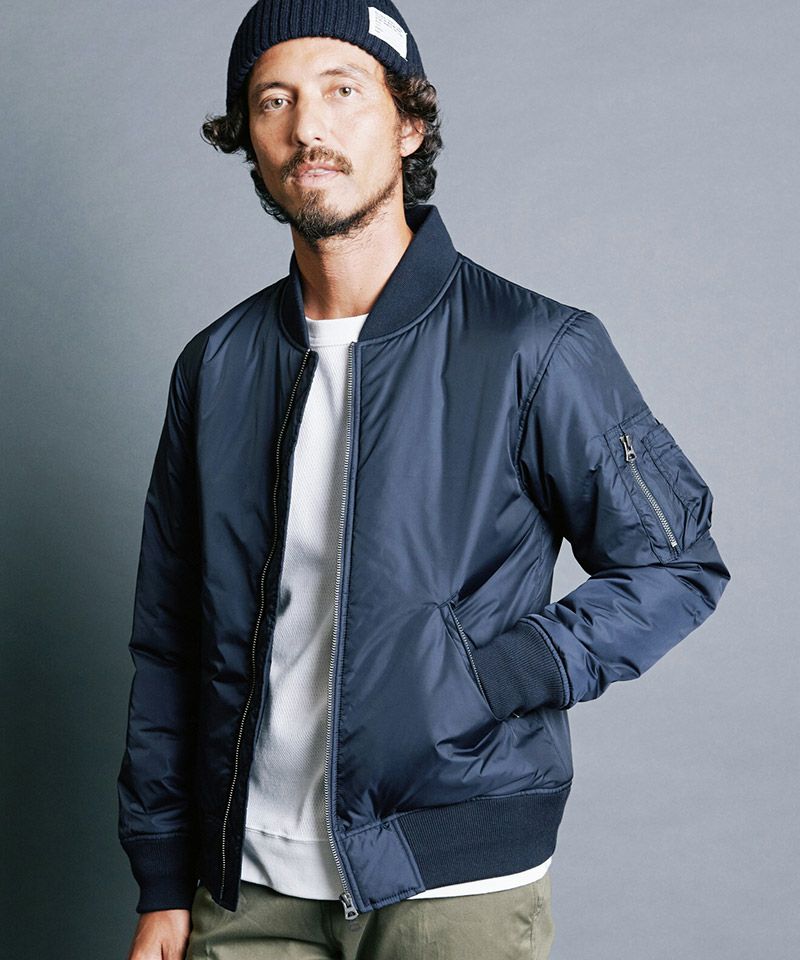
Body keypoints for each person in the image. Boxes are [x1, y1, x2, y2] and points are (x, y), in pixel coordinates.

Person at [117, 2, 732, 958]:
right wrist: (163, 878)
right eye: (274, 100)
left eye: (342, 91)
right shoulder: (217, 366)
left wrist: (502, 672)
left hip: (455, 886)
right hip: (245, 887)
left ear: (408, 123)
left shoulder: (534, 347)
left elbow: (677, 567)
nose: (307, 127)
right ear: (250, 138)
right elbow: (168, 643)